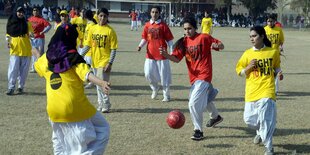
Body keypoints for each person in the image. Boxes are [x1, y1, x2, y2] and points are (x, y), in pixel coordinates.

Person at [34, 22, 110, 154]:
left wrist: (35, 52)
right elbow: (86, 74)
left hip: (53, 110)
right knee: (102, 129)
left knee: (60, 142)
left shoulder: (46, 59)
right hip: (74, 107)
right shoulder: (73, 58)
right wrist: (101, 82)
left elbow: (37, 64)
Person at [160, 16, 224, 140]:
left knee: (193, 103)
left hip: (204, 75)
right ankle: (215, 117)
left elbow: (221, 45)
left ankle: (198, 131)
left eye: (189, 28)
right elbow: (176, 59)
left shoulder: (204, 37)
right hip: (194, 79)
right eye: (185, 29)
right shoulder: (183, 42)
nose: (187, 31)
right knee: (203, 99)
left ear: (195, 28)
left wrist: (218, 45)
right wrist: (166, 55)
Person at [236, 26, 283, 155]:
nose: (252, 39)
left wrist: (279, 73)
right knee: (249, 120)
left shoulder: (272, 52)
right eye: (250, 36)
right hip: (251, 92)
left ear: (262, 36)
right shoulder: (247, 54)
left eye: (254, 36)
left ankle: (269, 147)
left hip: (267, 90)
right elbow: (239, 72)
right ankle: (260, 132)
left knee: (266, 119)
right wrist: (248, 68)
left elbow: (277, 67)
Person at [80, 8, 118, 113]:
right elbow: (87, 45)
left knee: (103, 84)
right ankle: (100, 104)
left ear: (107, 17)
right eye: (100, 15)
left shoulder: (110, 31)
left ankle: (106, 104)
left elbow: (113, 49)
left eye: (105, 16)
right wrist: (79, 56)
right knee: (98, 84)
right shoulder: (93, 28)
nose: (102, 18)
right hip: (95, 61)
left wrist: (110, 63)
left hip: (105, 62)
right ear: (97, 16)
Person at [137, 6, 174, 102]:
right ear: (150, 13)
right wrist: (140, 45)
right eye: (153, 12)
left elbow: (169, 40)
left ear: (159, 13)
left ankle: (166, 95)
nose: (154, 14)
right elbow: (145, 38)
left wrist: (171, 51)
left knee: (164, 76)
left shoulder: (163, 26)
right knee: (148, 73)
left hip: (162, 55)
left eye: (156, 12)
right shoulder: (147, 25)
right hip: (150, 55)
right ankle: (155, 88)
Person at [5, 6, 33, 95]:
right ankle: (11, 87)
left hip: (26, 48)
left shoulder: (27, 23)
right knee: (13, 69)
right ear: (16, 12)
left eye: (22, 12)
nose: (20, 14)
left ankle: (21, 87)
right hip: (15, 49)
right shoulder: (11, 22)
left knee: (24, 70)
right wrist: (8, 41)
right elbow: (8, 34)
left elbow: (30, 33)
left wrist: (31, 34)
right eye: (19, 12)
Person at [264, 14, 284, 94]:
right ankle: (267, 88)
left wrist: (281, 47)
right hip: (266, 53)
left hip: (275, 54)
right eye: (268, 21)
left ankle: (275, 90)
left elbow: (281, 41)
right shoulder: (264, 30)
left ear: (274, 21)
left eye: (271, 21)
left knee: (276, 72)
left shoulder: (279, 30)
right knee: (267, 72)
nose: (269, 23)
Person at [28, 6, 52, 73]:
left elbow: (49, 26)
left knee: (40, 54)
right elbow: (26, 27)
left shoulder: (41, 19)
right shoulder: (30, 19)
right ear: (32, 11)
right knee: (33, 54)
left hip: (40, 38)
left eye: (36, 10)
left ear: (38, 12)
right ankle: (34, 68)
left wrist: (43, 31)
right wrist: (28, 33)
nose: (35, 11)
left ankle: (41, 68)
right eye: (34, 10)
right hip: (32, 39)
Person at [83, 9, 97, 89]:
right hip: (87, 50)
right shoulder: (89, 24)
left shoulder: (92, 25)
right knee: (89, 67)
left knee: (91, 68)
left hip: (90, 51)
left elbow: (93, 40)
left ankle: (93, 82)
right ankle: (92, 81)